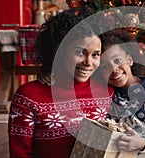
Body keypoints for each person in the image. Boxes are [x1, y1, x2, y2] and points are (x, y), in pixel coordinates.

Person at [8, 8, 114, 158]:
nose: (88, 63)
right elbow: (20, 153)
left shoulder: (108, 91)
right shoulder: (28, 97)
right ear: (59, 50)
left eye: (95, 54)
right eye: (79, 52)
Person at [96, 29, 145, 157]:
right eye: (104, 67)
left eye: (117, 61)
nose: (114, 70)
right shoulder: (106, 94)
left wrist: (143, 144)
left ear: (130, 60)